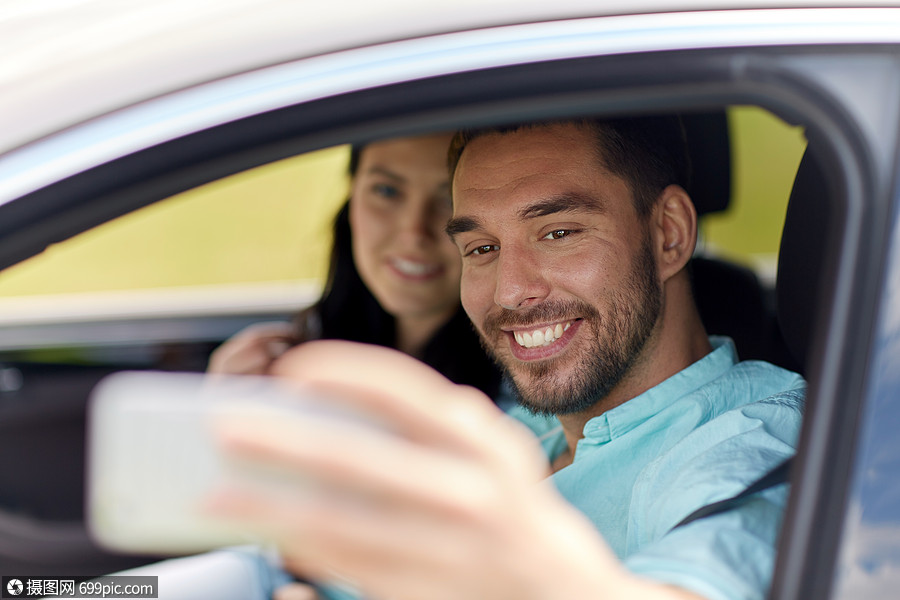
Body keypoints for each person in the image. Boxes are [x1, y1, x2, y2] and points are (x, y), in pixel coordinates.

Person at [206, 116, 805, 600]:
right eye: (482, 247)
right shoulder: (528, 430)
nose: (510, 291)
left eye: (557, 233)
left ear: (669, 234)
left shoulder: (760, 446)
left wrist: (523, 574)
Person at [207, 133, 502, 399]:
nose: (413, 233)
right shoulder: (289, 357)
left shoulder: (520, 391)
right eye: (386, 191)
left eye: (448, 199)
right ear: (351, 198)